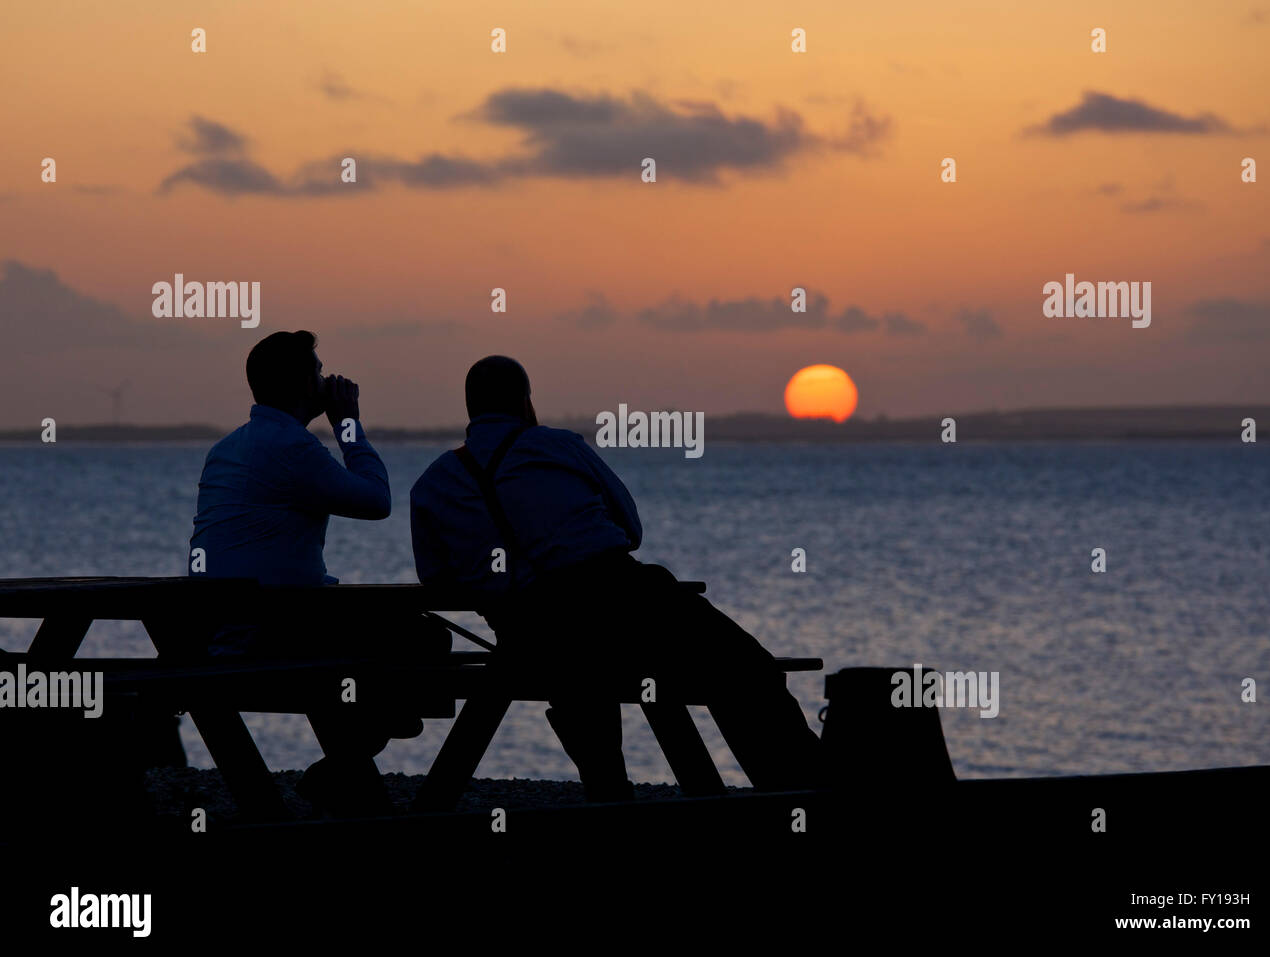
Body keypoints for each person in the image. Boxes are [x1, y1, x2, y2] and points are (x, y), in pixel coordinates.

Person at [410, 355, 820, 801]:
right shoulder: (558, 446)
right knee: (746, 668)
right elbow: (632, 530)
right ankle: (799, 795)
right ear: (527, 404)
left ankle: (611, 793)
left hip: (528, 638)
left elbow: (437, 580)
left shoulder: (432, 483)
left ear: (470, 408)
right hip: (624, 603)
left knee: (586, 682)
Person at [189, 330, 419, 815]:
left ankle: (346, 769)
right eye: (317, 369)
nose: (326, 377)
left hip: (217, 629)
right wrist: (349, 425)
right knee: (416, 641)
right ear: (299, 385)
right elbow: (377, 502)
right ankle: (342, 773)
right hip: (268, 633)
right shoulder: (291, 447)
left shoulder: (229, 447)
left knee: (390, 655)